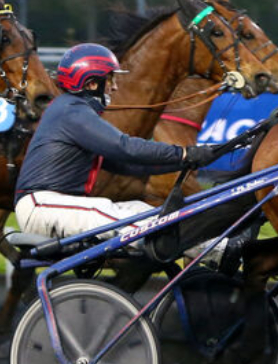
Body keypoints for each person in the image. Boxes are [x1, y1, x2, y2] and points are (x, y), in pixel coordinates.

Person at [13, 43, 218, 244]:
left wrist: (186, 162)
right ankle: (220, 251)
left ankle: (217, 251)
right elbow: (125, 148)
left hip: (54, 206)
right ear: (92, 84)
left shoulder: (71, 109)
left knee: (145, 211)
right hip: (43, 206)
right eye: (110, 79)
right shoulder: (72, 111)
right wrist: (184, 153)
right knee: (146, 226)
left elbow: (128, 166)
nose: (115, 86)